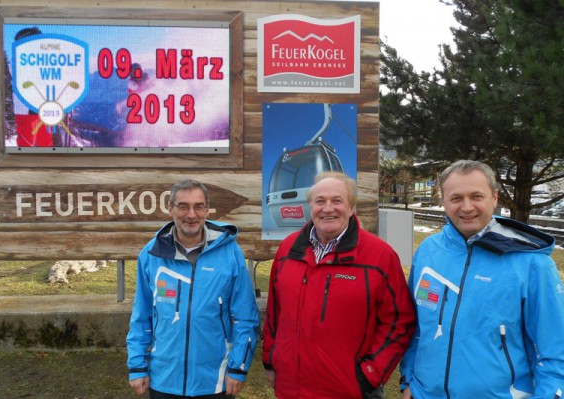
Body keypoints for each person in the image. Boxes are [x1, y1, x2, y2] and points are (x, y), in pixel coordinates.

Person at [400, 160, 564, 398]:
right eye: (456, 198)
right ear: (443, 200)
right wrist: (408, 382)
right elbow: (416, 326)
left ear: (494, 197)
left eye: (476, 196)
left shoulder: (531, 263)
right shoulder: (428, 252)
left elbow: (556, 351)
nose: (467, 207)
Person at [262, 171, 415, 398]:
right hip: (290, 388)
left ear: (351, 208)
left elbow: (399, 321)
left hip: (350, 390)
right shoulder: (288, 249)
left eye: (337, 201)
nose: (328, 208)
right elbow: (275, 312)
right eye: (320, 201)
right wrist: (270, 359)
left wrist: (371, 373)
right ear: (310, 206)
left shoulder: (380, 256)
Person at [126, 179, 260, 398]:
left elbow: (246, 317)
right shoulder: (151, 254)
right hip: (164, 379)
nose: (191, 214)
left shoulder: (230, 253)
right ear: (170, 209)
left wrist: (238, 368)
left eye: (198, 206)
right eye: (183, 206)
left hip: (214, 380)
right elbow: (142, 316)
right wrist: (137, 365)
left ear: (207, 210)